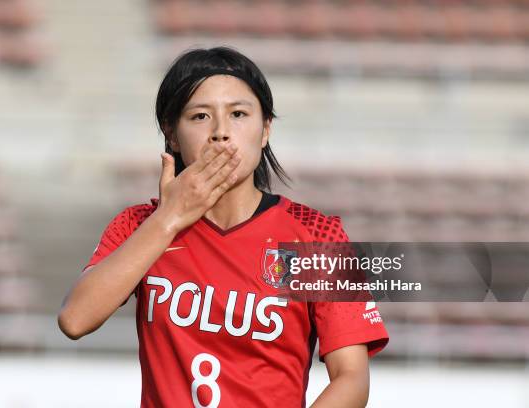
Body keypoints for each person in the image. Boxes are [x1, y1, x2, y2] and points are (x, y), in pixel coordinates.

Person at [58, 46, 389, 408]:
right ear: (171, 134)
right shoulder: (139, 224)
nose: (220, 132)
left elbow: (352, 381)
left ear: (265, 130)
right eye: (200, 116)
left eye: (238, 114)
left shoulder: (317, 236)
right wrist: (169, 219)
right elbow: (75, 320)